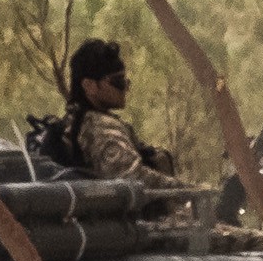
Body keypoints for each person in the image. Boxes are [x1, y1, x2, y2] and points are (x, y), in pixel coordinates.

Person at [58, 38, 178, 181]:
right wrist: (192, 190)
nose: (125, 88)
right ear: (89, 86)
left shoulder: (74, 121)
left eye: (126, 82)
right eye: (118, 81)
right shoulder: (100, 128)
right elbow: (135, 178)